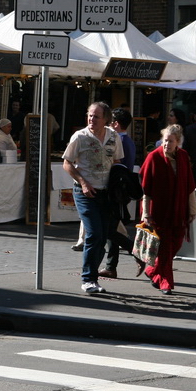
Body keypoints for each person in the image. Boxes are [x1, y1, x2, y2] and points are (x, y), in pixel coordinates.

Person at [62, 101, 123, 295]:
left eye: (96, 116)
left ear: (106, 119)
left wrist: (119, 185)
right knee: (94, 234)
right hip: (85, 192)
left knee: (102, 236)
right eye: (90, 115)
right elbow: (67, 163)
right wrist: (83, 182)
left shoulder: (114, 137)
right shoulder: (80, 137)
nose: (91, 119)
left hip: (106, 193)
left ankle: (93, 276)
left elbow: (117, 161)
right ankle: (88, 279)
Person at [140, 124, 196, 295]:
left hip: (179, 210)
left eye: (171, 141)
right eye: (165, 141)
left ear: (178, 142)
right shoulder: (153, 157)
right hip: (159, 211)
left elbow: (189, 185)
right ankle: (165, 282)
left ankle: (152, 271)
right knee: (165, 247)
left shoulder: (183, 157)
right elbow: (146, 189)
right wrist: (145, 213)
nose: (167, 144)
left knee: (176, 243)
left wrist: (192, 209)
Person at [99, 107, 140, 279]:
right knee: (111, 228)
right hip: (121, 189)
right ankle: (111, 266)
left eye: (110, 122)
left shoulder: (117, 140)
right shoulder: (128, 140)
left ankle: (136, 252)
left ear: (116, 124)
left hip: (115, 190)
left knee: (109, 229)